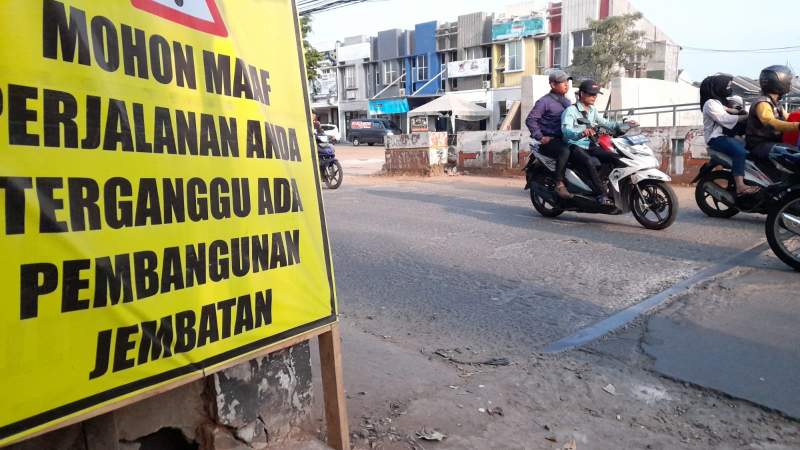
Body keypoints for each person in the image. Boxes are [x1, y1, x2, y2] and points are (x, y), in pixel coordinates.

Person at [561, 80, 637, 205]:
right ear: (581, 94)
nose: (594, 97)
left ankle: (612, 187)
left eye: (595, 94)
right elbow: (566, 131)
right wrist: (581, 132)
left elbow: (606, 123)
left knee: (615, 156)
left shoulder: (592, 110)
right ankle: (601, 194)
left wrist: (625, 124)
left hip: (590, 145)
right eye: (591, 94)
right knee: (589, 162)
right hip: (575, 146)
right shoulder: (570, 111)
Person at [699, 75, 758, 195]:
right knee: (739, 152)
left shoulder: (720, 102)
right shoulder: (710, 103)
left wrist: (739, 111)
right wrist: (746, 116)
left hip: (727, 136)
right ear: (719, 87)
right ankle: (740, 186)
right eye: (728, 85)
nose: (729, 88)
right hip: (716, 138)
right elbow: (724, 119)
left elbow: (729, 110)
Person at [525, 69, 574, 198]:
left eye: (567, 82)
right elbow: (531, 119)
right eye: (562, 82)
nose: (566, 85)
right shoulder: (544, 102)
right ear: (553, 85)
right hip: (551, 140)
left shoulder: (567, 101)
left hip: (566, 138)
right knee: (565, 151)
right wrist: (540, 137)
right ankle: (559, 183)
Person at [745, 65, 800, 160]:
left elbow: (789, 117)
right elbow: (770, 121)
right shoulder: (763, 103)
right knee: (794, 155)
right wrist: (797, 126)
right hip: (760, 144)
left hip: (773, 142)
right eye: (788, 82)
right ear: (779, 82)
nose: (790, 84)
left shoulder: (775, 102)